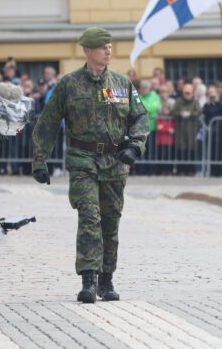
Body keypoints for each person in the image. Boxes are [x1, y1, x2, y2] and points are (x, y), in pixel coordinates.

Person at [31, 27, 148, 303]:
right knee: (89, 216)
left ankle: (107, 280)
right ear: (87, 51)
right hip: (82, 160)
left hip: (115, 163)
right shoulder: (69, 85)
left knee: (110, 221)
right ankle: (89, 280)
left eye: (109, 46)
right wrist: (39, 160)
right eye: (102, 47)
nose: (108, 51)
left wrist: (135, 146)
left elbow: (140, 117)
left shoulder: (121, 83)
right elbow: (47, 122)